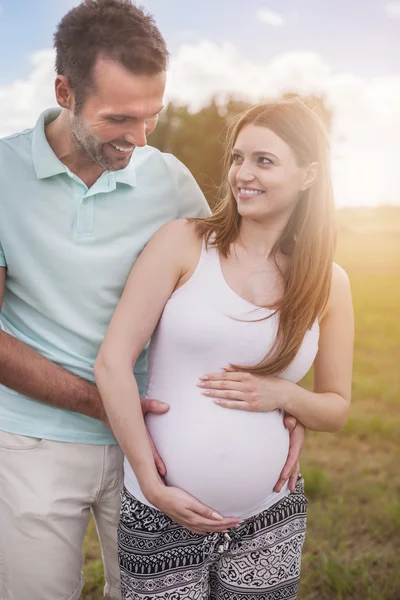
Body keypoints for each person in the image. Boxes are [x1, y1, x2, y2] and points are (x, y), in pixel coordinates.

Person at [0, 1, 303, 599]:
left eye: (152, 116)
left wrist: (283, 403)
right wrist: (107, 404)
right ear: (64, 90)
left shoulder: (168, 180)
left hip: (163, 444)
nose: (139, 138)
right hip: (33, 441)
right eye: (118, 118)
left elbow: (232, 296)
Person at [95, 98, 354, 600]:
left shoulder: (329, 283)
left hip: (269, 517)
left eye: (264, 160)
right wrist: (152, 486)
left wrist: (284, 395)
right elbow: (112, 363)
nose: (242, 174)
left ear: (308, 176)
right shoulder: (183, 243)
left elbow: (336, 409)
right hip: (161, 512)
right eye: (238, 158)